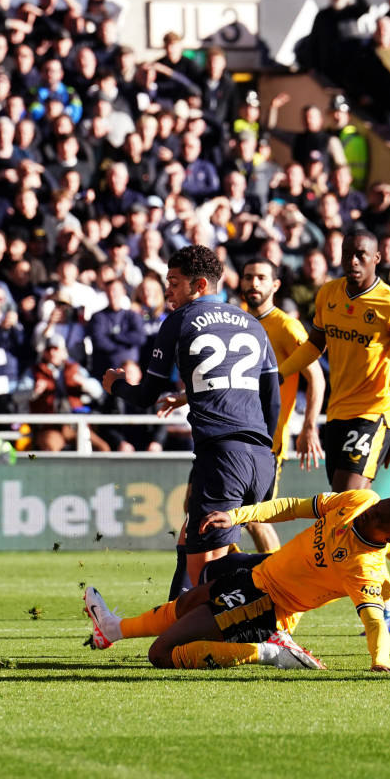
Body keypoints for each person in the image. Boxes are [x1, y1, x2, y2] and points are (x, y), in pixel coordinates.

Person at [83, 490, 390, 672]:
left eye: (379, 518)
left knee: (160, 654)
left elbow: (373, 618)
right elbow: (292, 506)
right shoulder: (359, 501)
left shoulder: (364, 566)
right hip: (258, 576)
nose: (371, 512)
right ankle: (113, 630)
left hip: (269, 607)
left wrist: (380, 661)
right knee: (189, 601)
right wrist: (237, 515)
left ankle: (268, 652)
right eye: (378, 506)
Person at [279, 228, 390, 629]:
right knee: (349, 504)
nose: (353, 261)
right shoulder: (329, 294)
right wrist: (278, 373)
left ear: (378, 257)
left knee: (348, 502)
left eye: (361, 254)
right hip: (339, 412)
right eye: (348, 253)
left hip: (374, 412)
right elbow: (315, 345)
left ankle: (387, 599)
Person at [101, 245, 280, 588]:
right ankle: (175, 623)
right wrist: (267, 451)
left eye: (174, 281)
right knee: (192, 541)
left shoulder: (178, 321)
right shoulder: (253, 324)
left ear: (198, 285)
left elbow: (145, 396)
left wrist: (116, 385)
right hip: (259, 454)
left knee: (206, 573)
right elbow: (271, 399)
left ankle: (280, 585)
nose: (168, 288)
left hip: (222, 456)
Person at [158, 258, 326, 553]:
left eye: (261, 277)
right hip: (225, 436)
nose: (253, 283)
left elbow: (316, 377)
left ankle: (273, 582)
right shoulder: (234, 319)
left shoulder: (286, 325)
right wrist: (184, 397)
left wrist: (309, 425)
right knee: (197, 507)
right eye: (248, 277)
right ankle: (228, 576)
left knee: (254, 516)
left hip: (263, 439)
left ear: (275, 285)